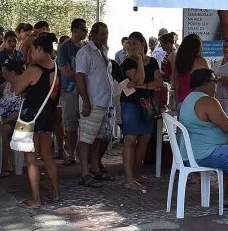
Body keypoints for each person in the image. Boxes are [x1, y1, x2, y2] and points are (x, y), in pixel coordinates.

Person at [179, 68, 228, 213]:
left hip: (189, 153)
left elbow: (222, 123)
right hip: (204, 153)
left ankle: (226, 197)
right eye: (215, 81)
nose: (217, 85)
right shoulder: (208, 101)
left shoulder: (189, 99)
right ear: (206, 83)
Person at [15, 33, 60, 208]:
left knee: (31, 158)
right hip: (48, 114)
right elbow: (54, 94)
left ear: (40, 49)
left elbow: (18, 89)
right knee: (47, 155)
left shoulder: (33, 70)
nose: (31, 53)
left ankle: (36, 199)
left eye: (32, 49)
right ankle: (55, 193)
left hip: (31, 116)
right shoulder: (56, 68)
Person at [120, 30, 162, 193]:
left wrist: (143, 86)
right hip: (131, 104)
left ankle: (137, 175)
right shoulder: (127, 62)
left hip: (148, 104)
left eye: (135, 43)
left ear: (143, 43)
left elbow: (158, 82)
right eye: (129, 43)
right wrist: (138, 60)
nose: (132, 46)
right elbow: (138, 79)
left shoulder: (152, 62)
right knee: (130, 140)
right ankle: (129, 179)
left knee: (145, 139)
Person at [75, 22, 116, 187]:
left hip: (104, 103)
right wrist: (85, 101)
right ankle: (84, 172)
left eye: (106, 33)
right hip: (91, 103)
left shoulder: (103, 52)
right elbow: (80, 76)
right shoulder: (85, 53)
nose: (105, 36)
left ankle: (96, 168)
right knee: (86, 138)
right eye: (102, 34)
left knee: (97, 138)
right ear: (93, 34)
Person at [56, 18, 87, 164]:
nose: (86, 32)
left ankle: (83, 155)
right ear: (74, 30)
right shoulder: (64, 47)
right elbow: (67, 71)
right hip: (70, 90)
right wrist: (81, 77)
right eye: (83, 29)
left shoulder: (86, 46)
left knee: (87, 124)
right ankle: (72, 154)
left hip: (86, 90)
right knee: (71, 124)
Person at [0, 60, 24, 176]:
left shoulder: (24, 86)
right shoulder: (5, 86)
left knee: (3, 129)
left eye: (5, 73)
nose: (2, 75)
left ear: (13, 73)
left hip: (21, 122)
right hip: (5, 119)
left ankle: (5, 163)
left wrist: (6, 120)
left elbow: (22, 111)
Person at [171, 33, 209, 108]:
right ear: (197, 47)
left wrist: (178, 105)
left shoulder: (178, 62)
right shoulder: (201, 61)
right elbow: (208, 85)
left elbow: (176, 88)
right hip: (197, 103)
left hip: (181, 102)